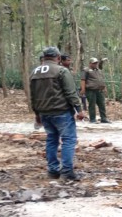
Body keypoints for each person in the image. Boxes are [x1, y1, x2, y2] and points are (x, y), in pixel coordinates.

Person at [30, 47, 85, 181]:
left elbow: (33, 95)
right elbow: (70, 92)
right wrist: (79, 109)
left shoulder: (35, 72)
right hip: (61, 111)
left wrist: (37, 113)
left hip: (44, 112)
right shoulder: (61, 70)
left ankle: (53, 170)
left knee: (51, 139)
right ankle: (66, 171)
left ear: (44, 57)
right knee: (68, 140)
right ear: (58, 58)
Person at [80, 57, 110, 123]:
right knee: (92, 105)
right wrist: (83, 89)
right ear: (90, 63)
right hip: (90, 90)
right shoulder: (86, 70)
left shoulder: (98, 70)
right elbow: (83, 80)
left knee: (102, 104)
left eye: (96, 63)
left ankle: (104, 118)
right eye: (94, 63)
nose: (95, 64)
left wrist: (104, 88)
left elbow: (101, 80)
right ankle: (92, 119)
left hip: (99, 90)